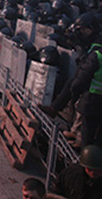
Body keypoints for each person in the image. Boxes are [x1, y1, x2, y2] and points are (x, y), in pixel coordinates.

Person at [40, 13, 102, 146]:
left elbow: (84, 74)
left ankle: (83, 150)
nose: (81, 33)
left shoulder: (97, 49)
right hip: (92, 93)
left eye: (83, 29)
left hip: (93, 95)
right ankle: (72, 129)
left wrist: (75, 91)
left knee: (88, 130)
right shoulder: (94, 44)